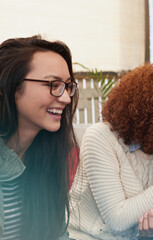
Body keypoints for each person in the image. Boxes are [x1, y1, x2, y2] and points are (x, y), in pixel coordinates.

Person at [68, 63, 153, 239]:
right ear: (152, 109)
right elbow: (118, 219)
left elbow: (142, 214)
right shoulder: (100, 137)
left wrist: (150, 230)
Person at [0, 35, 78, 239]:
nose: (66, 98)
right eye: (53, 84)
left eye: (68, 86)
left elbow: (57, 233)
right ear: (10, 86)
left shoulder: (48, 155)